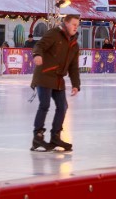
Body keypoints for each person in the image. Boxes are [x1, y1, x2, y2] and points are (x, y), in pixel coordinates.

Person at [30, 15, 81, 152]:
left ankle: (55, 136)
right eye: (73, 24)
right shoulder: (54, 34)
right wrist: (37, 55)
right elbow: (39, 45)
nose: (76, 27)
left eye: (77, 25)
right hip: (44, 75)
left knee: (62, 106)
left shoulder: (74, 45)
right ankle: (38, 137)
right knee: (45, 104)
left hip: (58, 79)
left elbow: (73, 67)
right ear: (66, 23)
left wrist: (76, 84)